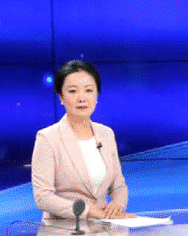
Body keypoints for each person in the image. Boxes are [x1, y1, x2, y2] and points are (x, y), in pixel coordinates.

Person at [31, 60, 133, 221]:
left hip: (103, 228)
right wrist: (88, 212)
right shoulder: (47, 138)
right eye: (73, 91)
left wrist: (117, 205)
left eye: (88, 90)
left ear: (97, 95)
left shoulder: (106, 134)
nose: (82, 98)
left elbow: (118, 186)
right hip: (62, 230)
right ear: (61, 97)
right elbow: (43, 197)